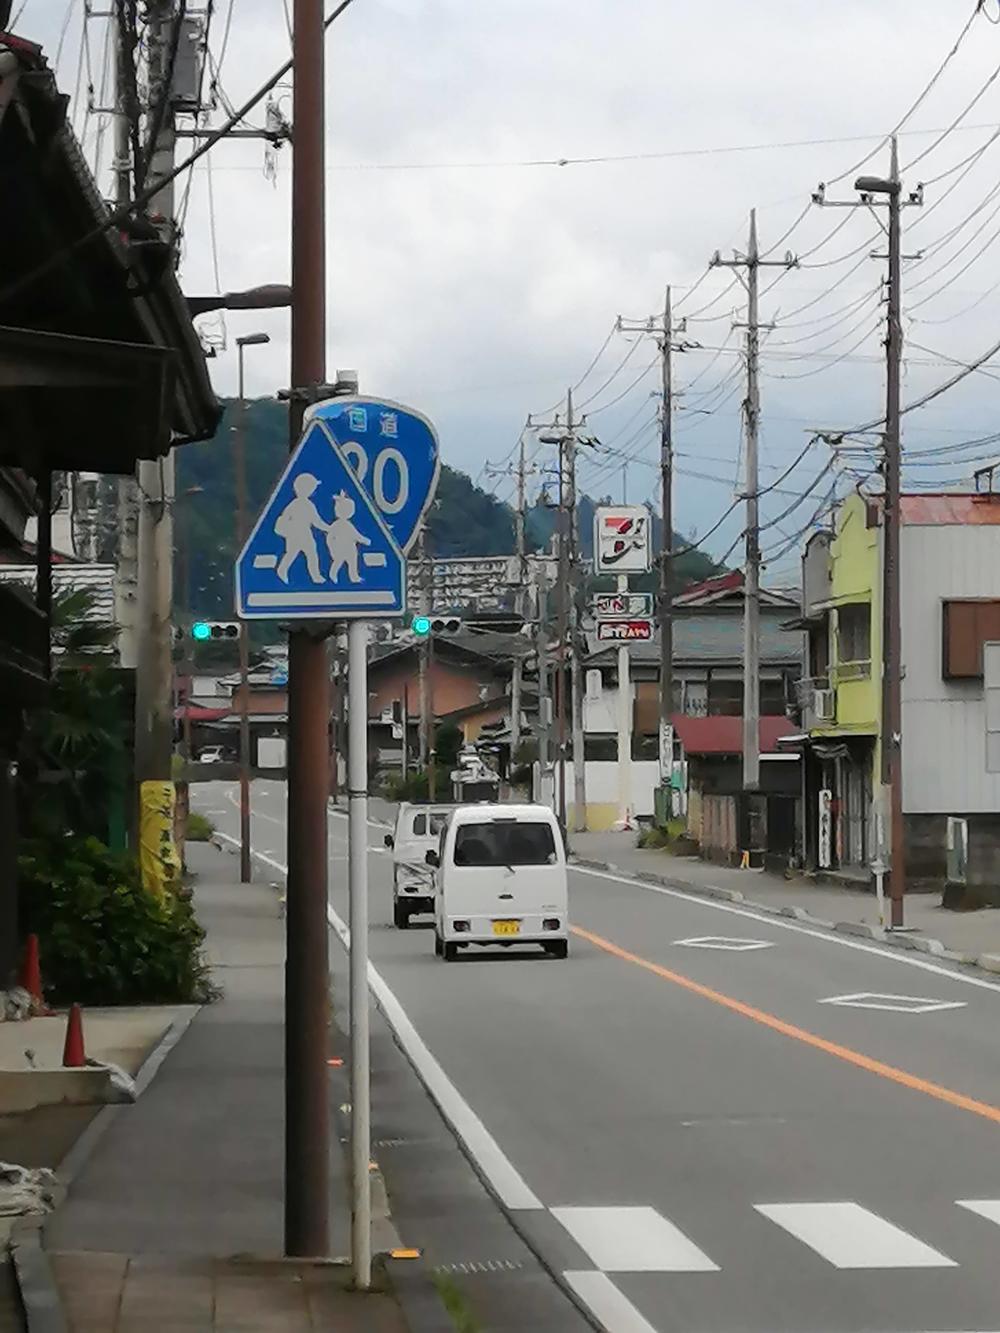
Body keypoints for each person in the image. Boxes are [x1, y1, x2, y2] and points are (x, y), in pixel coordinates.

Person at [274, 473, 328, 584]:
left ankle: (284, 570)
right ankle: (314, 576)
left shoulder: (294, 504)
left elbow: (316, 521)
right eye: (312, 487)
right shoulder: (306, 505)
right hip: (301, 534)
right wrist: (329, 528)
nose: (313, 490)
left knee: (299, 554)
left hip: (298, 535)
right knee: (309, 554)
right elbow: (316, 522)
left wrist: (327, 528)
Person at [326, 491, 370, 583]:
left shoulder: (346, 525)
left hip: (350, 549)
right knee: (339, 562)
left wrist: (364, 540)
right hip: (342, 549)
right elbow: (356, 535)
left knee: (352, 562)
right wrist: (331, 548)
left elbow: (356, 535)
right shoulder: (339, 525)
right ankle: (333, 574)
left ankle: (354, 577)